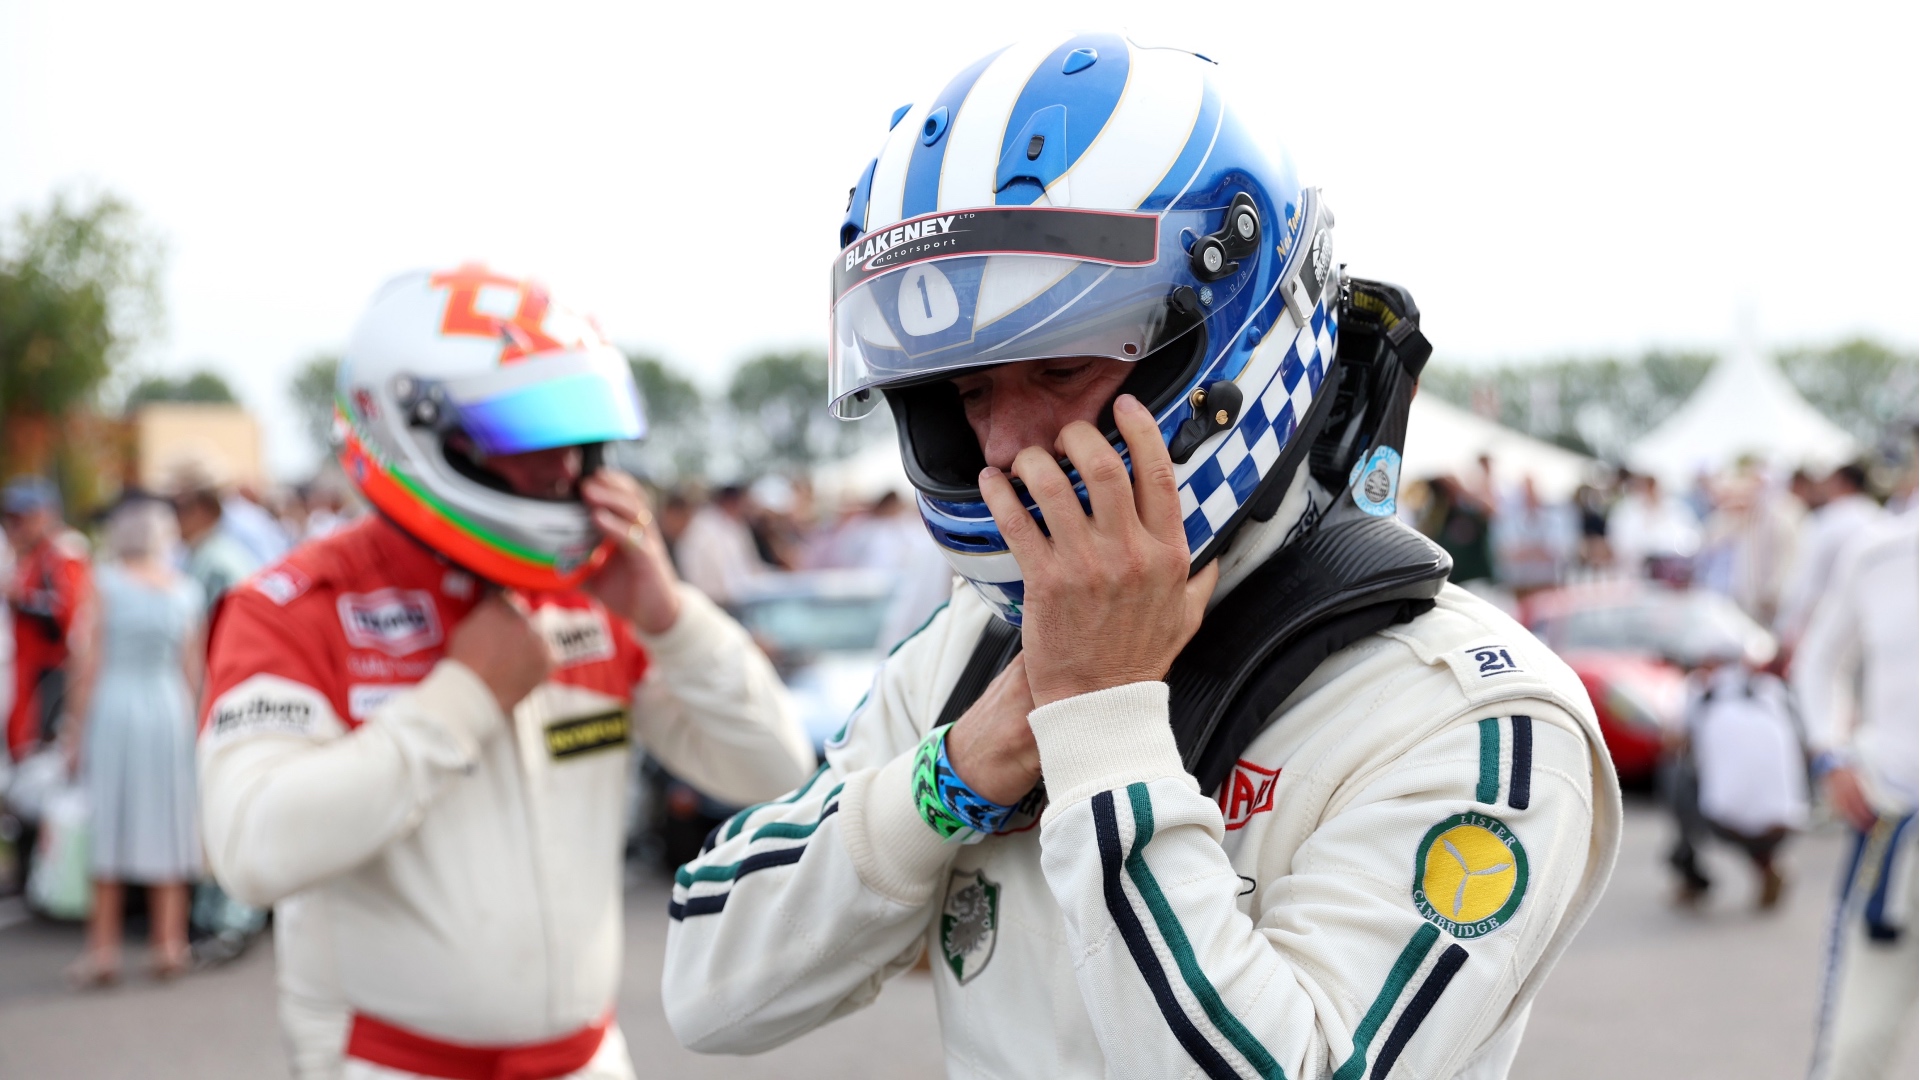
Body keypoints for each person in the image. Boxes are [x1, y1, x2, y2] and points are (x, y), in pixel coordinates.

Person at [663, 37, 1621, 1080]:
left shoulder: (1468, 715)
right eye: (967, 393)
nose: (1000, 447)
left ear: (1233, 343)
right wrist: (958, 773)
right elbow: (709, 983)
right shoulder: (974, 650)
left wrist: (1101, 721)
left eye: (1061, 367)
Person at [198, 265, 815, 1080]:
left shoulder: (596, 596)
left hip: (589, 1057)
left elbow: (773, 770)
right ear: (419, 431)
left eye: (580, 431)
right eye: (528, 431)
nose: (566, 468)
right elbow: (251, 849)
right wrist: (463, 699)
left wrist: (670, 618)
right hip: (394, 1063)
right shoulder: (295, 604)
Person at [1793, 507, 1917, 1080]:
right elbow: (1817, 663)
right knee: (1851, 1052)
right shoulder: (1879, 553)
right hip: (1892, 829)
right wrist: (1830, 754)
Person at [62, 497, 205, 986]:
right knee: (170, 818)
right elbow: (193, 669)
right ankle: (170, 942)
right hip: (168, 709)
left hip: (116, 707)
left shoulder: (102, 582)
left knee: (111, 823)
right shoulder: (185, 590)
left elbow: (88, 664)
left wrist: (73, 730)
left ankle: (102, 950)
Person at [1663, 643, 1805, 910]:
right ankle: (1767, 866)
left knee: (1675, 774)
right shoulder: (1774, 690)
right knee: (1745, 795)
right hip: (1788, 823)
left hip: (1724, 822)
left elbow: (1672, 742)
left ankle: (1692, 877)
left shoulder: (1701, 690)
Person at [3, 477, 91, 763]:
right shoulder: (34, 553)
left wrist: (20, 599)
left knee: (40, 758)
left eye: (23, 518)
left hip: (50, 674)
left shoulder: (63, 552)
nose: (16, 527)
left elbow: (65, 617)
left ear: (44, 515)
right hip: (28, 672)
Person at [1776, 463, 1881, 648]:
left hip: (1825, 625)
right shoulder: (1881, 518)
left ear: (1843, 483)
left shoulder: (1828, 521)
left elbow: (1806, 582)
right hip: (1871, 624)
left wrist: (1787, 629)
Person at [673, 484, 768, 606]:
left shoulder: (731, 526)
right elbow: (725, 585)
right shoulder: (704, 529)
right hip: (717, 602)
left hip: (726, 600)